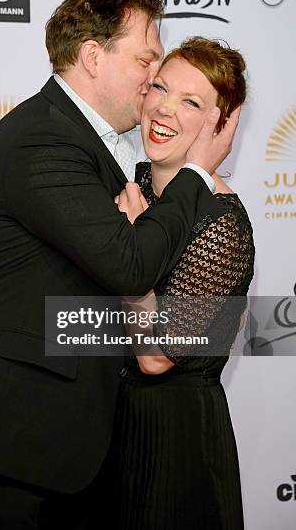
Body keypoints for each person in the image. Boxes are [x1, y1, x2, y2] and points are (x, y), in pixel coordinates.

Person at [0, 0, 239, 530]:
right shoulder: (44, 138)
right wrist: (197, 172)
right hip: (6, 436)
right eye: (146, 58)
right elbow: (129, 268)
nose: (153, 79)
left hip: (79, 443)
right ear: (92, 55)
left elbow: (194, 331)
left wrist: (224, 321)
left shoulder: (100, 152)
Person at [114, 37, 255, 530]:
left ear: (220, 124)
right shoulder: (128, 185)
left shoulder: (220, 222)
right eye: (161, 88)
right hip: (107, 438)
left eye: (191, 101)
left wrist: (130, 262)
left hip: (175, 446)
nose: (164, 108)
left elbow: (155, 357)